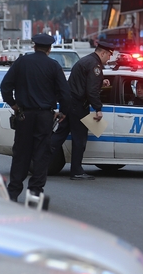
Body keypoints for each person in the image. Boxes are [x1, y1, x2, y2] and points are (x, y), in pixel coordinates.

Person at [0, 33, 71, 202]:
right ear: (49, 49)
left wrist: (14, 104)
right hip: (45, 117)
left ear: (34, 46)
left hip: (24, 115)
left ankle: (13, 193)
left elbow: (5, 86)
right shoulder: (53, 66)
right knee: (41, 154)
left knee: (21, 154)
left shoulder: (21, 62)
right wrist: (63, 112)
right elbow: (65, 93)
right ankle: (35, 193)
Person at [49, 40, 115, 181]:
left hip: (69, 103)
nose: (109, 58)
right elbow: (91, 91)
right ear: (103, 53)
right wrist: (98, 108)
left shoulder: (87, 61)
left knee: (59, 135)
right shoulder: (94, 65)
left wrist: (100, 81)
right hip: (78, 106)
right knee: (79, 138)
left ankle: (38, 161)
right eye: (109, 55)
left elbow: (84, 82)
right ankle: (77, 170)